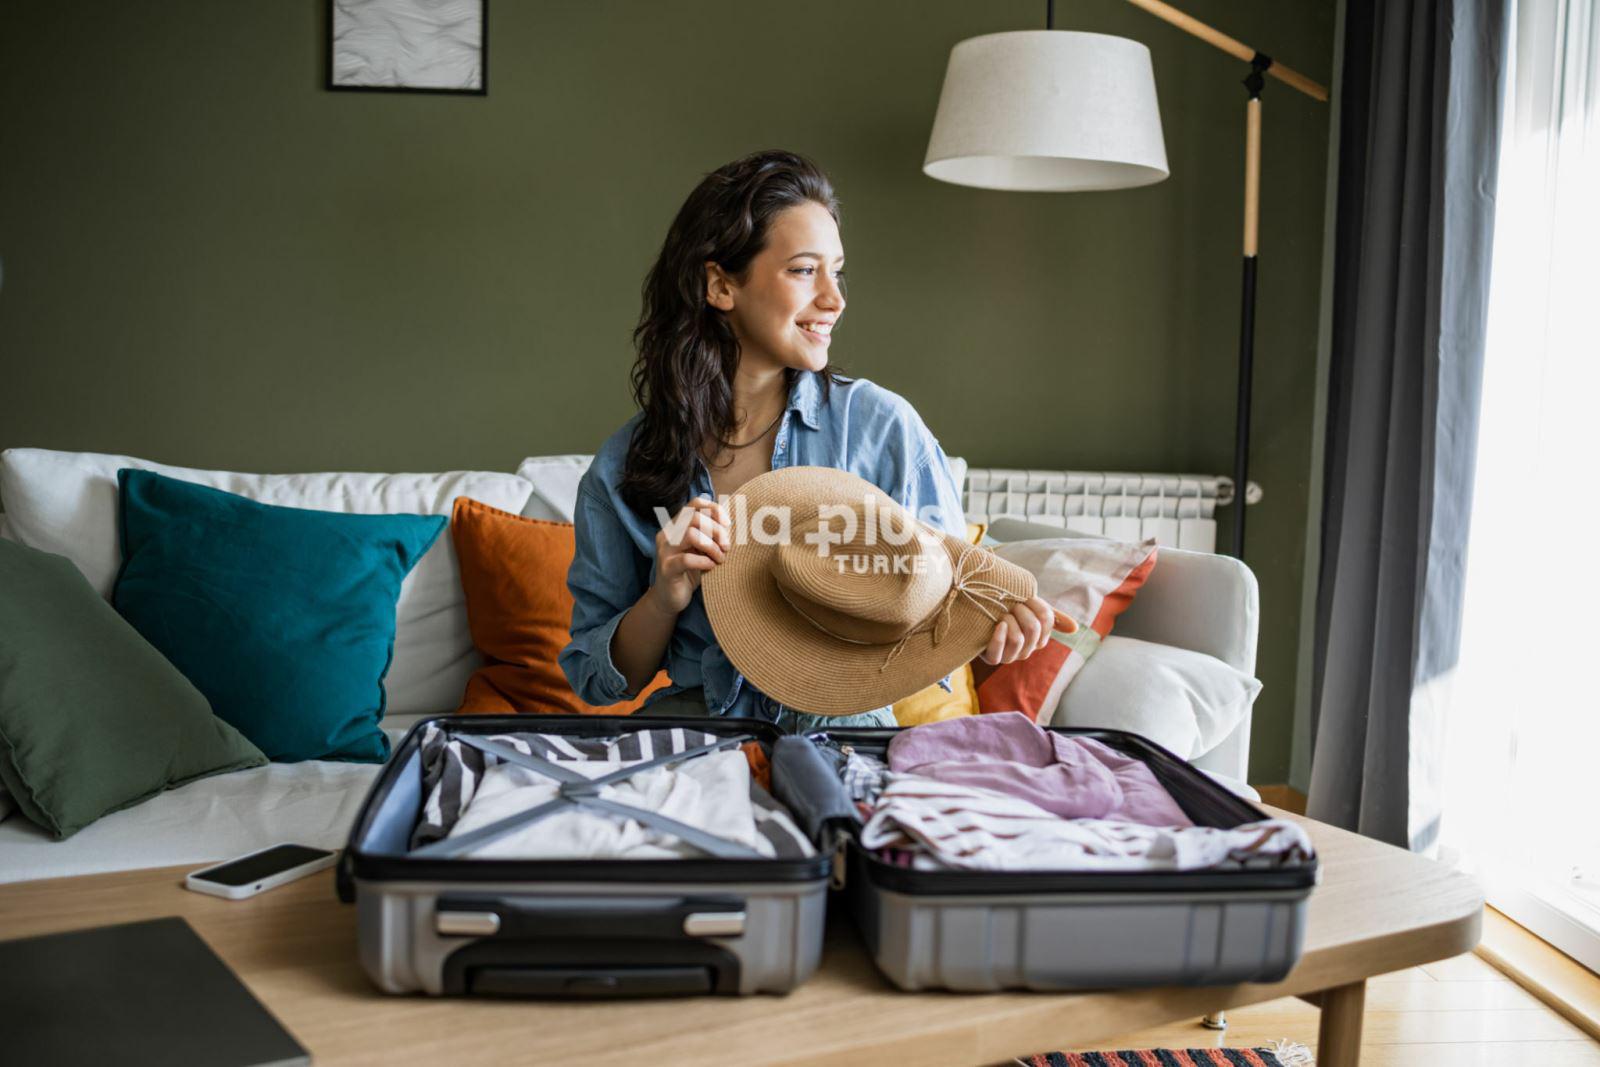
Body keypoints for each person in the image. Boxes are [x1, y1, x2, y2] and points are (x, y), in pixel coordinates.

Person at [559, 149, 1055, 733]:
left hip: (846, 744)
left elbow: (947, 606)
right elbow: (598, 682)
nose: (835, 298)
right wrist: (663, 596)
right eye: (803, 270)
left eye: (836, 270)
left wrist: (992, 632)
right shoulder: (623, 469)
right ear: (720, 284)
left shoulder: (882, 427)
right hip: (692, 737)